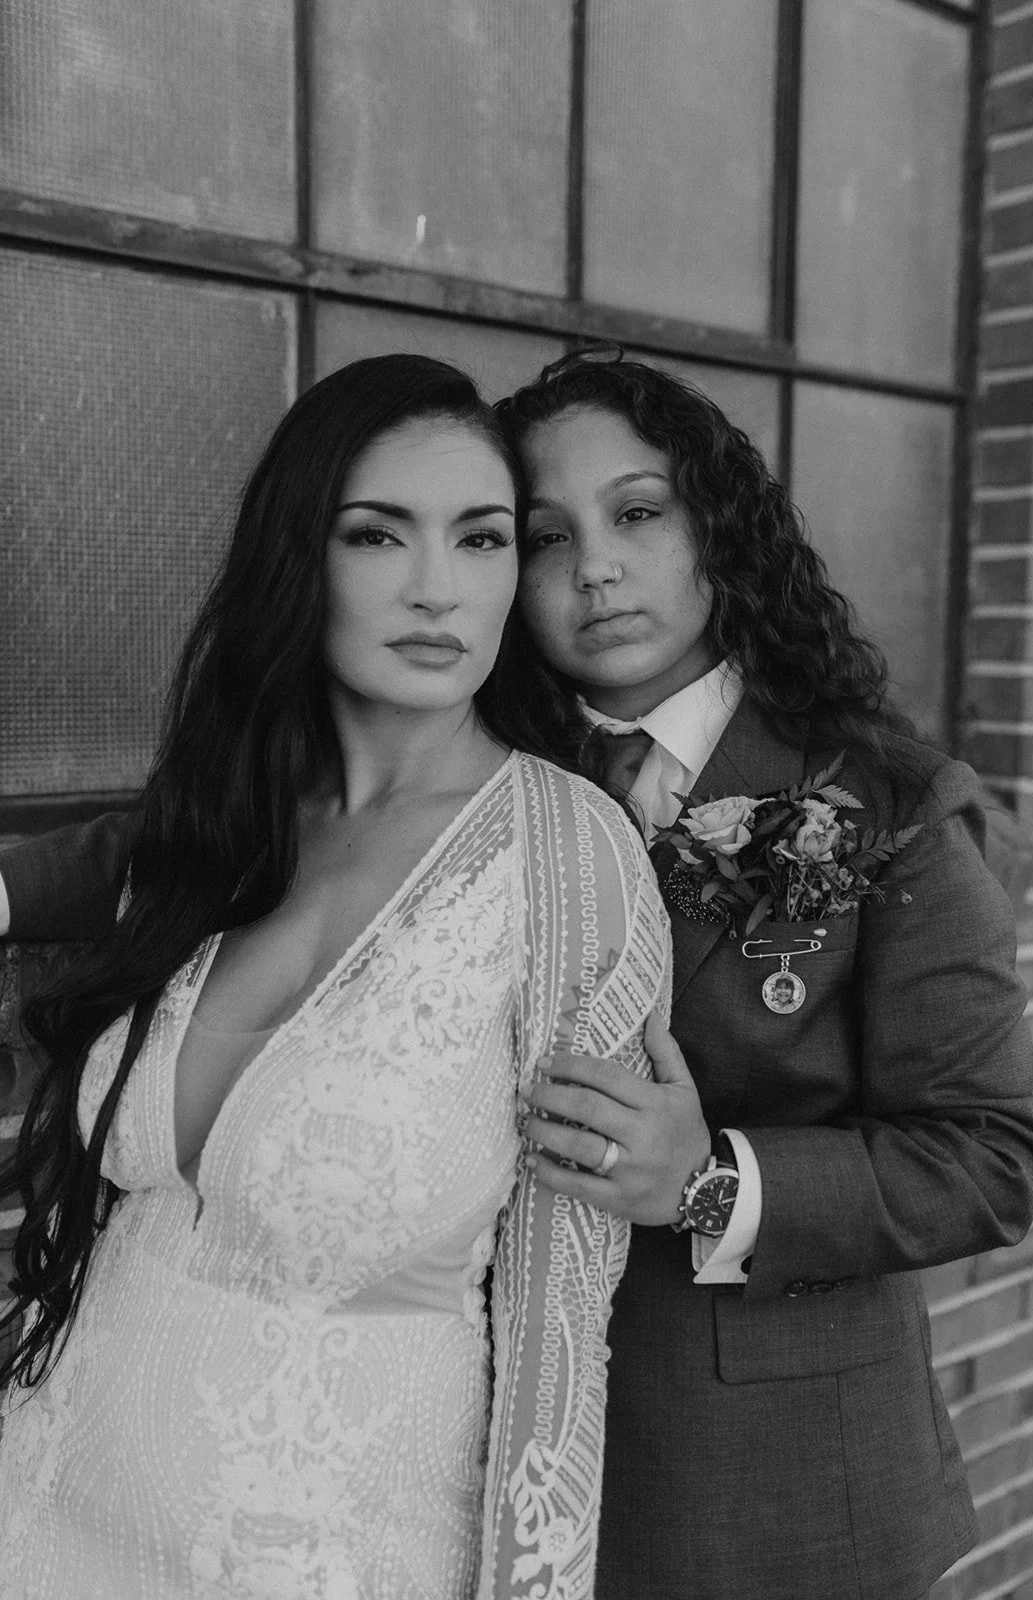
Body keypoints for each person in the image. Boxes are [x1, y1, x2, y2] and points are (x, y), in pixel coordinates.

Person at [0, 354, 672, 1600]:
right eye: (377, 535)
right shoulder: (224, 817)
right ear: (299, 557)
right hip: (51, 1504)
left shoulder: (569, 856)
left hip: (333, 1552)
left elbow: (560, 1321)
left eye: (480, 540)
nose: (436, 590)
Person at [489, 351, 1033, 1600]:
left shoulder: (887, 798)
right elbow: (249, 825)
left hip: (790, 1495)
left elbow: (990, 1158)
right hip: (512, 1467)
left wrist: (704, 1180)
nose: (594, 565)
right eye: (543, 537)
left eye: (637, 512)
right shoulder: (486, 791)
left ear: (716, 530)